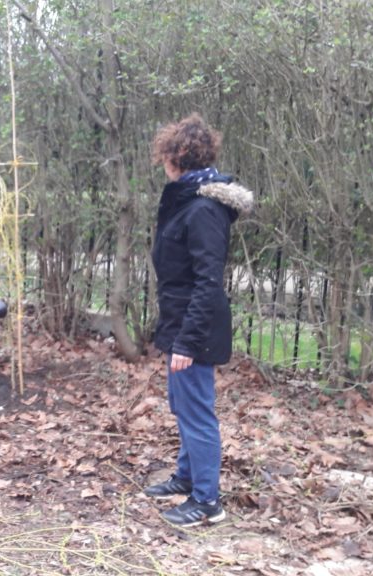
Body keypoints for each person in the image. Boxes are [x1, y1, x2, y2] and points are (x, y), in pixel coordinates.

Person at [143, 113, 254, 527]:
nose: (163, 165)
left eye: (165, 157)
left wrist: (187, 342)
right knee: (183, 404)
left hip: (195, 327)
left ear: (177, 158)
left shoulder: (204, 209)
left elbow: (208, 282)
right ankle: (187, 477)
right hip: (179, 321)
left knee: (197, 412)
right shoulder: (185, 199)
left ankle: (208, 502)